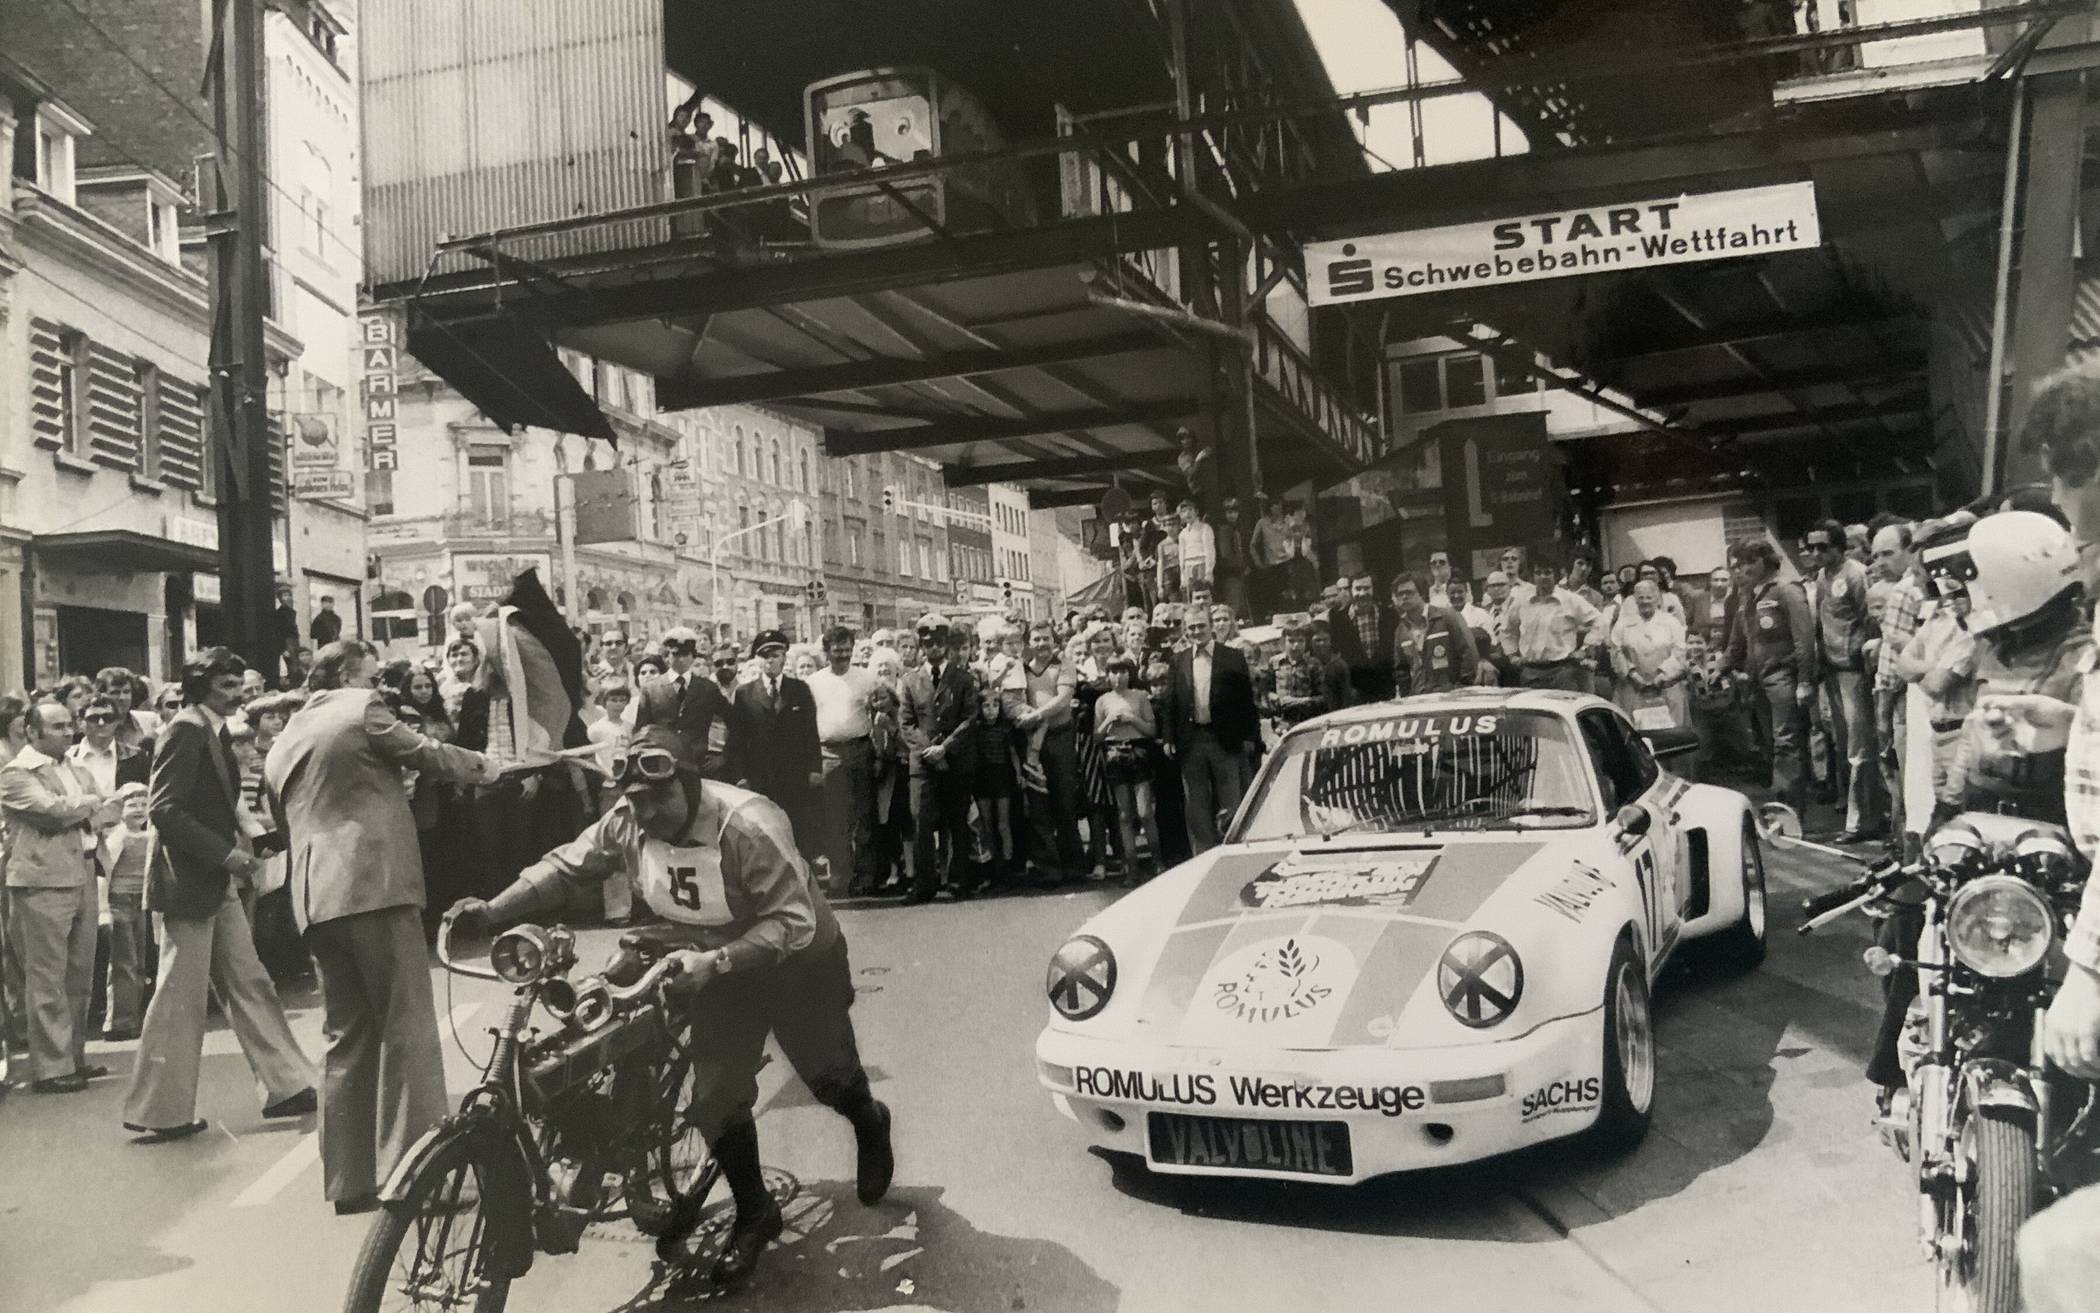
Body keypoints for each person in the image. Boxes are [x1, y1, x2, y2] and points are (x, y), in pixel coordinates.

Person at [448, 724, 893, 1288]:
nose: (648, 812)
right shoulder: (630, 819)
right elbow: (568, 865)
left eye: (659, 797)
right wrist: (492, 910)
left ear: (689, 783)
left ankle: (870, 1121)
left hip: (792, 962)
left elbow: (794, 922)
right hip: (706, 956)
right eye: (635, 800)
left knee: (829, 1077)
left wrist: (720, 960)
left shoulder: (748, 826)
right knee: (714, 1099)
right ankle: (755, 1210)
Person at [264, 639, 514, 1211]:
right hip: (373, 884)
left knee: (346, 1038)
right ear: (351, 674)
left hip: (314, 895)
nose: (385, 688)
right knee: (407, 1028)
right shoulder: (362, 710)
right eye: (375, 675)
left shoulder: (288, 736)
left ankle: (349, 1181)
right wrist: (489, 768)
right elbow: (427, 751)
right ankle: (418, 1174)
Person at [122, 648, 316, 1140]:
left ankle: (286, 1084)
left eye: (239, 685)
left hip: (209, 880)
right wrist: (226, 855)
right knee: (177, 998)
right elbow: (163, 810)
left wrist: (250, 839)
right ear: (204, 686)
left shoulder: (207, 728)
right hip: (188, 881)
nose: (238, 695)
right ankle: (159, 1112)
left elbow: (219, 800)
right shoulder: (186, 730)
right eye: (228, 687)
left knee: (249, 980)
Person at [2, 700, 110, 1094]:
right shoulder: (16, 773)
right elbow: (51, 811)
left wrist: (86, 807)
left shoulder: (74, 768)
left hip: (82, 869)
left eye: (69, 725)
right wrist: (89, 805)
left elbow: (101, 811)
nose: (68, 732)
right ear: (32, 733)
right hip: (42, 878)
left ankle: (73, 1057)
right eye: (58, 727)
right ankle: (51, 1067)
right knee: (46, 976)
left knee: (79, 973)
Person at [1724, 538, 1818, 811]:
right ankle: (1783, 804)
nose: (1745, 568)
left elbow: (1804, 640)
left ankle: (1789, 810)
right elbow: (1743, 642)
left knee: (1786, 743)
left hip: (1784, 679)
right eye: (1741, 563)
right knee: (1771, 744)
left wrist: (1804, 681)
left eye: (1750, 561)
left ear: (1766, 560)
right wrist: (1721, 668)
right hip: (1760, 682)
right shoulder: (1751, 595)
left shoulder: (1786, 590)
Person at [1806, 519, 1882, 842]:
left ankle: (1862, 821)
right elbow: (1823, 623)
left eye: (1823, 546)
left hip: (1854, 670)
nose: (1816, 553)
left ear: (1839, 546)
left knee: (1859, 746)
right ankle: (1861, 813)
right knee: (1843, 743)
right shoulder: (1823, 577)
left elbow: (1869, 619)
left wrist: (1861, 658)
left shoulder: (1854, 574)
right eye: (1812, 547)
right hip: (1833, 670)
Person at [1163, 605, 1259, 855]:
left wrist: (1250, 736)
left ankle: (1235, 852)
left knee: (1232, 801)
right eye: (1191, 627)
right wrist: (1168, 737)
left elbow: (1246, 701)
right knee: (1196, 804)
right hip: (1191, 740)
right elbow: (1170, 701)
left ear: (1211, 626)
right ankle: (1203, 855)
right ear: (1186, 630)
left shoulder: (1232, 657)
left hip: (1224, 739)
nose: (1197, 631)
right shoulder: (1179, 660)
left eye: (1201, 626)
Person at [899, 615, 978, 902]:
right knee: (921, 823)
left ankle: (959, 880)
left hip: (955, 761)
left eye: (939, 643)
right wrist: (929, 751)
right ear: (921, 645)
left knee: (957, 821)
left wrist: (946, 747)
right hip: (923, 764)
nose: (934, 648)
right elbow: (906, 723)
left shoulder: (963, 678)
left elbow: (971, 717)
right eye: (928, 643)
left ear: (947, 645)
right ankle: (924, 883)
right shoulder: (909, 680)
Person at [725, 631, 822, 863]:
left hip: (795, 777)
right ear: (757, 660)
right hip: (761, 778)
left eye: (776, 654)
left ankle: (803, 884)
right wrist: (740, 776)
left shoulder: (799, 690)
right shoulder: (744, 693)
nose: (770, 660)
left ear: (784, 657)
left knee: (798, 831)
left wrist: (814, 769)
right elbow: (737, 739)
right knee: (764, 833)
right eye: (765, 655)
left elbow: (810, 733)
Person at [807, 626, 878, 897]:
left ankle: (867, 875)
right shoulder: (814, 682)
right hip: (828, 753)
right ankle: (841, 875)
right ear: (827, 652)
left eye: (847, 650)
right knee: (834, 818)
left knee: (864, 817)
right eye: (837, 651)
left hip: (860, 749)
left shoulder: (866, 678)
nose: (843, 656)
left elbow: (878, 716)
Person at [1015, 621, 1085, 885]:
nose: (1041, 644)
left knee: (1065, 801)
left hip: (1060, 738)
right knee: (1038, 806)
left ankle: (1074, 865)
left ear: (1054, 640)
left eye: (1046, 639)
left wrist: (1036, 715)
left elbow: (1064, 699)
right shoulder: (1021, 668)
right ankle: (1049, 869)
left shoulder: (1064, 664)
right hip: (1032, 741)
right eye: (1036, 639)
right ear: (1029, 643)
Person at [1093, 654, 1163, 886]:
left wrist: (1133, 719)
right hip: (1114, 753)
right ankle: (1131, 867)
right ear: (1107, 675)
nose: (1118, 676)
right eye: (1113, 672)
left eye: (1123, 672)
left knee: (1144, 812)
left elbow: (1152, 730)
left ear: (1130, 674)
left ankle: (1157, 861)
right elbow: (1097, 737)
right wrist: (1109, 722)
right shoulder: (1103, 701)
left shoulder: (1140, 696)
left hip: (1138, 751)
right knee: (1124, 814)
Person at [635, 627, 734, 776]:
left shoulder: (707, 688)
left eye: (685, 654)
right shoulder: (650, 689)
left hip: (699, 767)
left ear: (693, 656)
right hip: (661, 767)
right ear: (666, 657)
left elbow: (735, 721)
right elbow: (641, 731)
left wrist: (723, 756)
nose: (681, 659)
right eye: (675, 654)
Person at [1502, 557, 1602, 692]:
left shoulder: (1570, 599)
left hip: (1562, 672)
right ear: (1533, 576)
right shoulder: (1522, 601)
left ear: (1556, 575)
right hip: (1530, 672)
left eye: (1548, 572)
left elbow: (1600, 622)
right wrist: (1512, 655)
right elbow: (1507, 629)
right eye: (1538, 573)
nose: (1543, 577)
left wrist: (1584, 649)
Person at [1611, 579, 1690, 729]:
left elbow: (1679, 651)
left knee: (1671, 732)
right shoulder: (1623, 624)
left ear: (1657, 598)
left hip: (1666, 687)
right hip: (1632, 688)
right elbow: (1616, 650)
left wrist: (1661, 676)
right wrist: (1633, 674)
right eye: (1641, 598)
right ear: (1635, 599)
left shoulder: (1671, 623)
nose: (1645, 602)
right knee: (1632, 731)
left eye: (1649, 597)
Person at [963, 688, 1021, 889]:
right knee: (986, 824)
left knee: (1003, 824)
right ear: (979, 708)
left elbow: (1013, 753)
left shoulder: (1005, 728)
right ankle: (991, 869)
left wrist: (1019, 774)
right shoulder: (976, 729)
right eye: (986, 706)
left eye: (995, 706)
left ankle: (1008, 868)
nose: (991, 710)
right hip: (982, 777)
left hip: (1002, 776)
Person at [1390, 575, 1478, 695]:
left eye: (1409, 592)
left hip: (1450, 696)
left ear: (1421, 593)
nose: (1404, 597)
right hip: (1418, 697)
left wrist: (1463, 687)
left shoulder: (1447, 617)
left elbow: (1468, 653)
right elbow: (1401, 670)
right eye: (1400, 594)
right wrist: (1407, 695)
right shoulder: (1401, 630)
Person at [1330, 576, 1397, 703]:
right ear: (1351, 590)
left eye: (1367, 588)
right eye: (1358, 589)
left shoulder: (1389, 614)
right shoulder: (1337, 619)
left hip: (1386, 688)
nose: (1362, 593)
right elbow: (1336, 654)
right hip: (1354, 691)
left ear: (1373, 589)